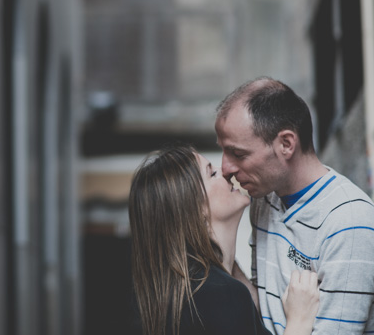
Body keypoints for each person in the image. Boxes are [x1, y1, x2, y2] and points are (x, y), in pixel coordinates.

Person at [215, 77, 374, 335]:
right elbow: (263, 314)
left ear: (286, 144)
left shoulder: (351, 226)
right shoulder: (265, 199)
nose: (225, 168)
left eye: (239, 154)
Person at [129, 144, 319, 335]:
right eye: (212, 173)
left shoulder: (189, 291)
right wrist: (299, 320)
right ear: (194, 208)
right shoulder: (219, 293)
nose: (226, 171)